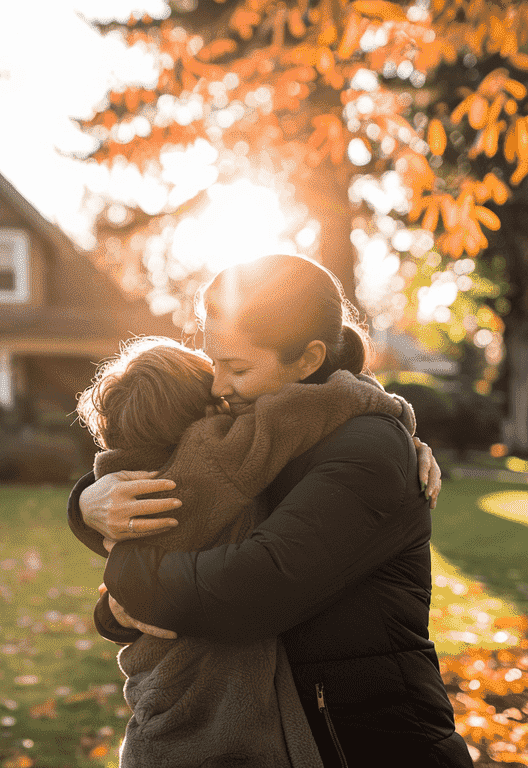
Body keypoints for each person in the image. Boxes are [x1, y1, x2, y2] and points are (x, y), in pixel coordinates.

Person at [68, 254, 473, 768]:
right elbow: (184, 477)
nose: (216, 386)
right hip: (300, 732)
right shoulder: (265, 425)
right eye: (213, 361)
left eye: (236, 367)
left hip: (370, 740)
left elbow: (254, 587)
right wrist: (86, 504)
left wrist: (129, 573)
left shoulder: (368, 447)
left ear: (307, 361)